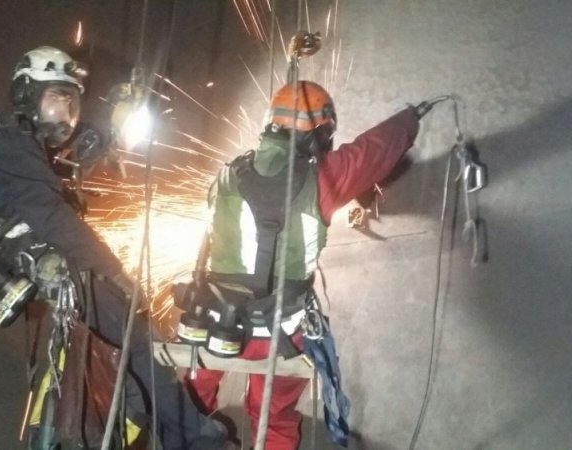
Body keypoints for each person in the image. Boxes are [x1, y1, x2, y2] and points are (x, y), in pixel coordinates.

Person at [0, 45, 229, 450]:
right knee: (136, 343)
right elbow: (53, 216)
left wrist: (113, 128)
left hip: (49, 267)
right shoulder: (9, 146)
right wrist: (114, 270)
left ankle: (166, 431)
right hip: (53, 269)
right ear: (27, 96)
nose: (64, 113)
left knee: (121, 350)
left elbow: (66, 163)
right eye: (54, 100)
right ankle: (197, 441)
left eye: (71, 102)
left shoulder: (21, 144)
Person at [182, 81, 427, 449]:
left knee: (189, 404)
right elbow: (374, 151)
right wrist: (411, 117)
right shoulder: (325, 175)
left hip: (217, 322)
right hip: (280, 332)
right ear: (321, 132)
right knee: (274, 415)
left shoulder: (227, 174)